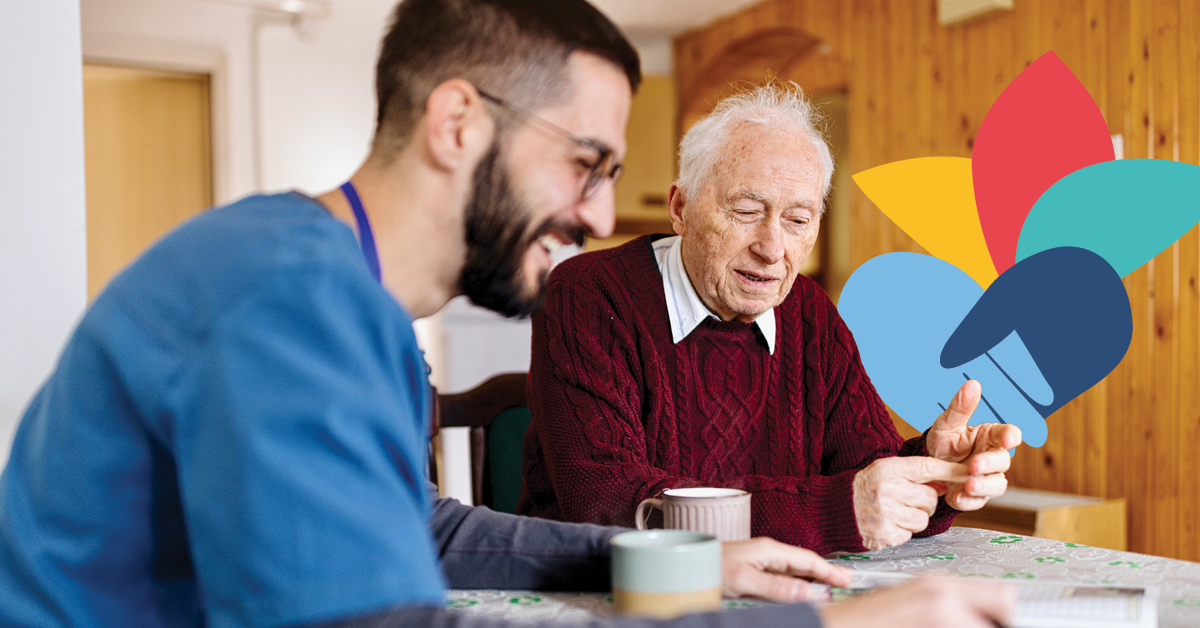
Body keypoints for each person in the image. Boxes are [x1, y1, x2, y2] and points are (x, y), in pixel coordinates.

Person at [0, 1, 1014, 627]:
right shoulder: (285, 299)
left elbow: (428, 529)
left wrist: (685, 556)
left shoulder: (353, 300)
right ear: (457, 123)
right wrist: (832, 626)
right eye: (583, 164)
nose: (590, 213)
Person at [518, 83, 1024, 554]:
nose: (772, 249)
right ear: (681, 207)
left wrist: (931, 475)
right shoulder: (587, 295)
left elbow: (864, 473)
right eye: (745, 211)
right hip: (607, 597)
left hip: (771, 596)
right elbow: (609, 502)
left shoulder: (809, 312)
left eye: (798, 220)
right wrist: (835, 510)